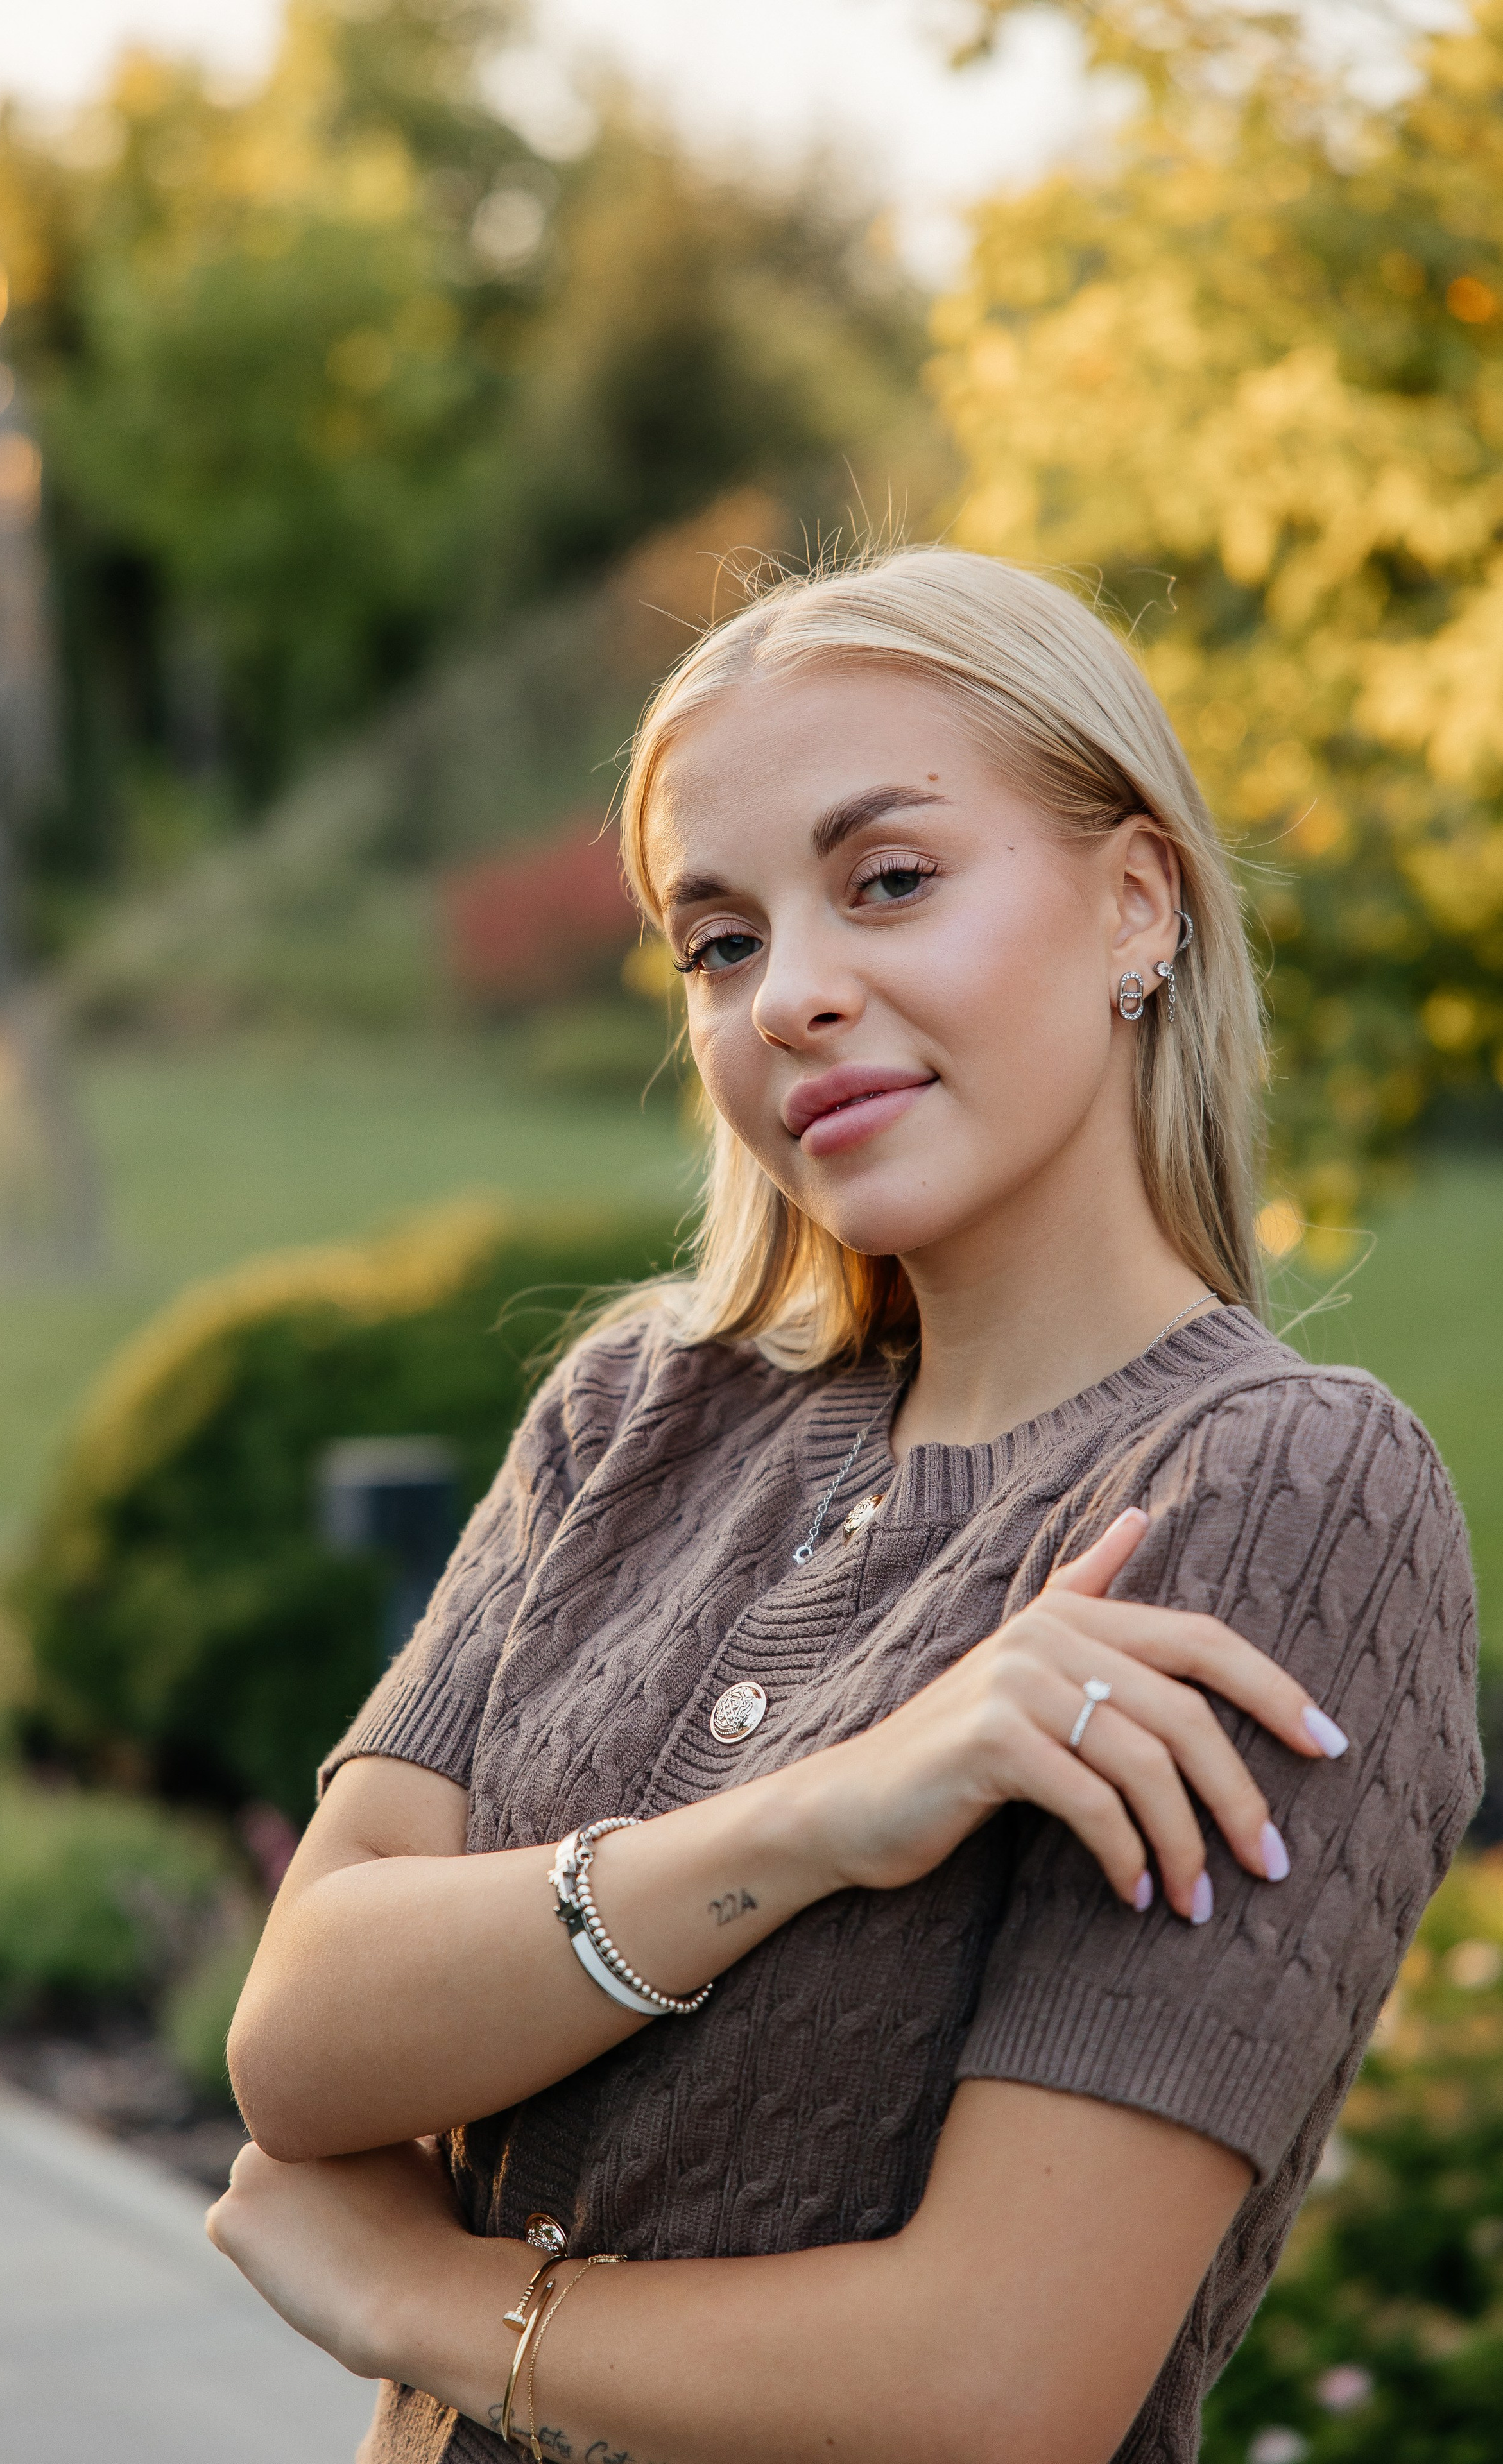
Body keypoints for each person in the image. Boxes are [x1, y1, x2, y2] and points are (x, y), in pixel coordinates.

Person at [207, 548, 1481, 2464]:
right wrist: (815, 1821)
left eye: (890, 881)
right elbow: (301, 2037)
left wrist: (426, 2305)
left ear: (1137, 902)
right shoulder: (634, 1413)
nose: (791, 995)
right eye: (719, 943)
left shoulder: (1277, 1492)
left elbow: (993, 2388)